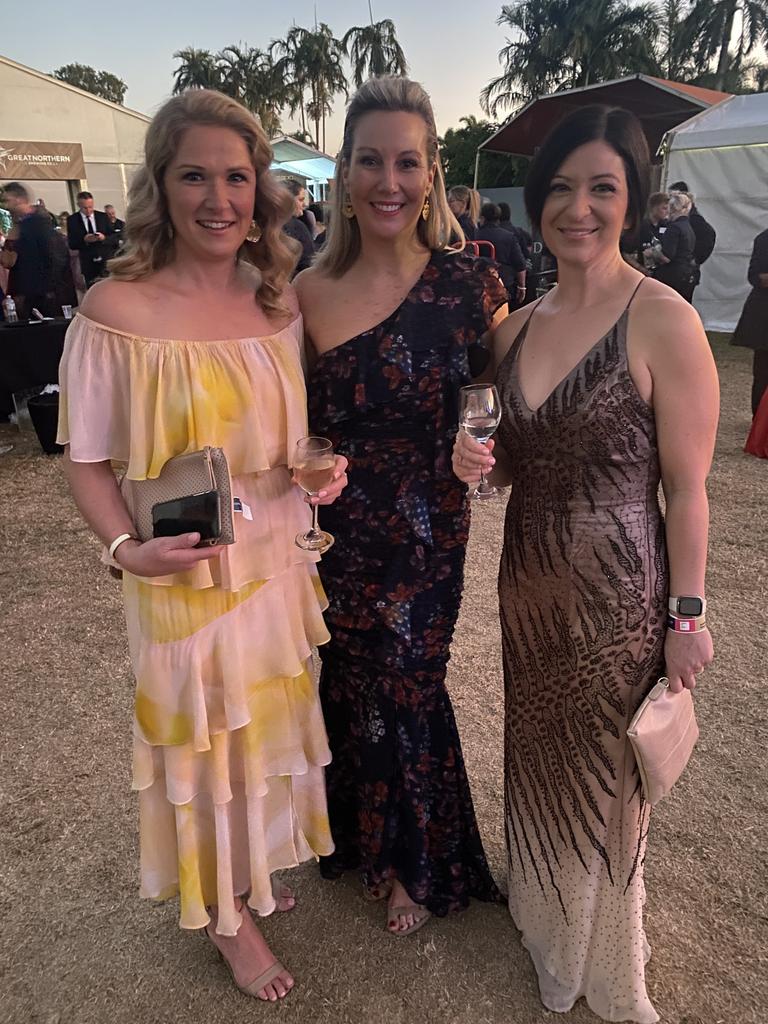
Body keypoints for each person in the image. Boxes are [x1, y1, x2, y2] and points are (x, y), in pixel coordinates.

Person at [56, 89, 348, 1003]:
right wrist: (121, 552)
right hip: (182, 578)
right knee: (200, 746)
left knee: (258, 732)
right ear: (160, 186)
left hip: (277, 570)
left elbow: (282, 445)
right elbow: (89, 462)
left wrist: (312, 478)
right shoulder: (115, 308)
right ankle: (224, 916)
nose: (219, 197)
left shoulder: (277, 301)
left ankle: (249, 870)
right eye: (195, 176)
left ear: (260, 188)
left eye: (236, 176)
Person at [453, 104, 718, 1022]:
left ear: (633, 200)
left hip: (619, 602)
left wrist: (687, 618)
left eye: (602, 187)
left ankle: (605, 966)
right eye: (561, 188)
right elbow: (507, 465)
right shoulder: (510, 328)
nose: (579, 207)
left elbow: (687, 490)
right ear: (537, 202)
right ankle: (542, 914)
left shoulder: (665, 320)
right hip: (527, 589)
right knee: (538, 756)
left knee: (608, 784)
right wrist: (474, 465)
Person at [295, 76, 507, 936]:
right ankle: (356, 842)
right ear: (345, 172)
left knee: (412, 682)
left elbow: (498, 407)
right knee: (346, 682)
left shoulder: (471, 285)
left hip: (429, 530)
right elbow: (291, 428)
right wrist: (302, 472)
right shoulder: (306, 293)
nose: (390, 180)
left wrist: (481, 453)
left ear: (431, 174)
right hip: (339, 530)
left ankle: (416, 864)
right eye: (371, 160)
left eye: (407, 162)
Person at [0, 181, 59, 318]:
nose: (6, 206)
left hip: (39, 293)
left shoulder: (38, 223)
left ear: (19, 199)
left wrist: (47, 288)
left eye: (8, 201)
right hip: (25, 292)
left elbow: (51, 256)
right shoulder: (20, 224)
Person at [731, 226, 768, 417]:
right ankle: (759, 420)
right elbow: (755, 276)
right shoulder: (764, 239)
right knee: (763, 372)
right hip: (764, 315)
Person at [476, 202, 527, 307]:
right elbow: (520, 264)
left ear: (482, 218)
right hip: (504, 284)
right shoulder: (509, 237)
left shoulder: (473, 235)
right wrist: (522, 287)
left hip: (478, 285)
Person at [653, 190, 697, 301]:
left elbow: (667, 257)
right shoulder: (688, 227)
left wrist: (653, 252)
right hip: (686, 275)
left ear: (673, 208)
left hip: (672, 276)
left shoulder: (674, 228)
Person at [67, 191, 118, 286]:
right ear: (78, 205)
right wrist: (84, 240)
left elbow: (114, 237)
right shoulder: (72, 220)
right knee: (91, 288)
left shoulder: (102, 217)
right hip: (88, 262)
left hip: (104, 260)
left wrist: (103, 238)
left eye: (90, 207)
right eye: (85, 208)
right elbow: (72, 243)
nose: (88, 210)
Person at [668, 180, 716, 268]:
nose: (671, 201)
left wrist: (697, 259)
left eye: (674, 197)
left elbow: (709, 235)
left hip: (684, 267)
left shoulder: (693, 218)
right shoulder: (674, 216)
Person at [282, 179, 314, 275]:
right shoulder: (296, 226)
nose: (304, 204)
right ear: (288, 199)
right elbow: (308, 262)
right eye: (300, 199)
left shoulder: (265, 224)